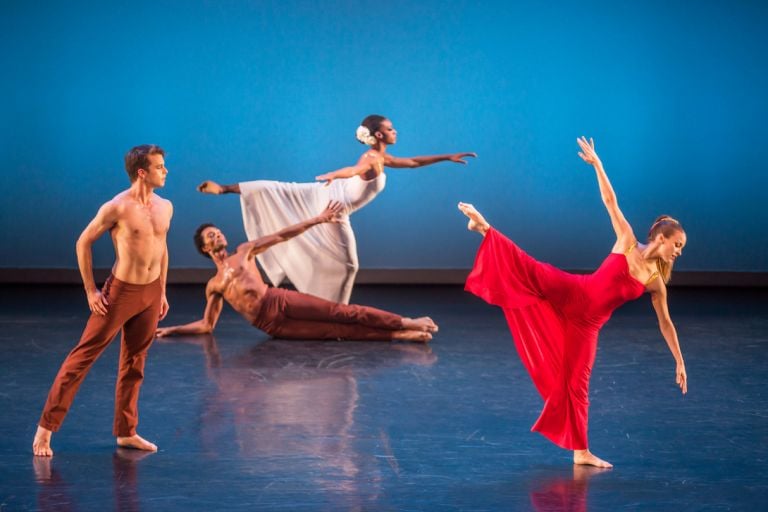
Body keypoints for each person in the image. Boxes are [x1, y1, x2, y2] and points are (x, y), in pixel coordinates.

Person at [458, 137, 687, 468]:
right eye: (677, 244)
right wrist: (599, 165)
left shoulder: (656, 282)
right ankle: (484, 228)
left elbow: (666, 323)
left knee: (577, 385)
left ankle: (581, 453)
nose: (679, 251)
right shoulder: (626, 240)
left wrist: (679, 360)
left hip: (587, 325)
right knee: (531, 269)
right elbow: (610, 201)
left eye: (681, 247)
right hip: (574, 291)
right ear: (661, 238)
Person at [196, 114, 476, 304]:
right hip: (333, 206)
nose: (395, 131)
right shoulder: (371, 158)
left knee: (279, 188)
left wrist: (446, 156)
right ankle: (336, 310)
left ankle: (328, 306)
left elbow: (414, 162)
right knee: (348, 263)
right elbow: (355, 169)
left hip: (329, 195)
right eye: (391, 129)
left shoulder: (381, 156)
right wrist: (336, 174)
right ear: (379, 134)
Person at [33, 145, 173, 457]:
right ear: (142, 172)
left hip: (151, 292)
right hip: (120, 293)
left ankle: (127, 432)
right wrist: (91, 291)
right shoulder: (117, 207)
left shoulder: (166, 206)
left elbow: (161, 248)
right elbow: (83, 242)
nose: (166, 171)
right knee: (82, 358)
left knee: (135, 363)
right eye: (160, 166)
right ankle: (45, 429)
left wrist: (162, 290)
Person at [155, 201, 438, 342]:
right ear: (205, 249)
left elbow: (282, 235)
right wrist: (171, 330)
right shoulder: (214, 285)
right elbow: (206, 326)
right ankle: (397, 336)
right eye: (211, 236)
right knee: (334, 332)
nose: (217, 236)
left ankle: (405, 322)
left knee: (342, 313)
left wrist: (318, 219)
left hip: (277, 299)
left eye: (217, 232)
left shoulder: (244, 251)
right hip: (270, 325)